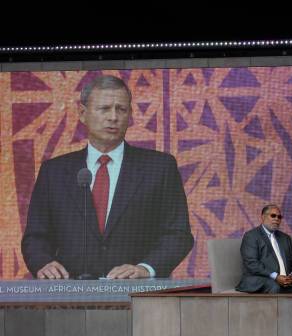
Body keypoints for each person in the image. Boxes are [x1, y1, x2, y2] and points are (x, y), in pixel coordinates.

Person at [21, 75, 194, 279]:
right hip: (69, 294)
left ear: (129, 115)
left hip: (138, 293)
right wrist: (43, 262)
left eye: (121, 109)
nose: (113, 117)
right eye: (104, 109)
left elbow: (178, 234)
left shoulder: (160, 167)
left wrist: (146, 268)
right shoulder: (54, 172)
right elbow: (35, 237)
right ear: (83, 113)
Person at [235, 204, 292, 293]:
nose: (277, 219)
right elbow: (252, 264)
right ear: (263, 217)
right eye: (273, 215)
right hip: (260, 280)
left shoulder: (285, 238)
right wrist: (276, 276)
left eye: (279, 217)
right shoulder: (251, 236)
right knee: (274, 287)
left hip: (286, 281)